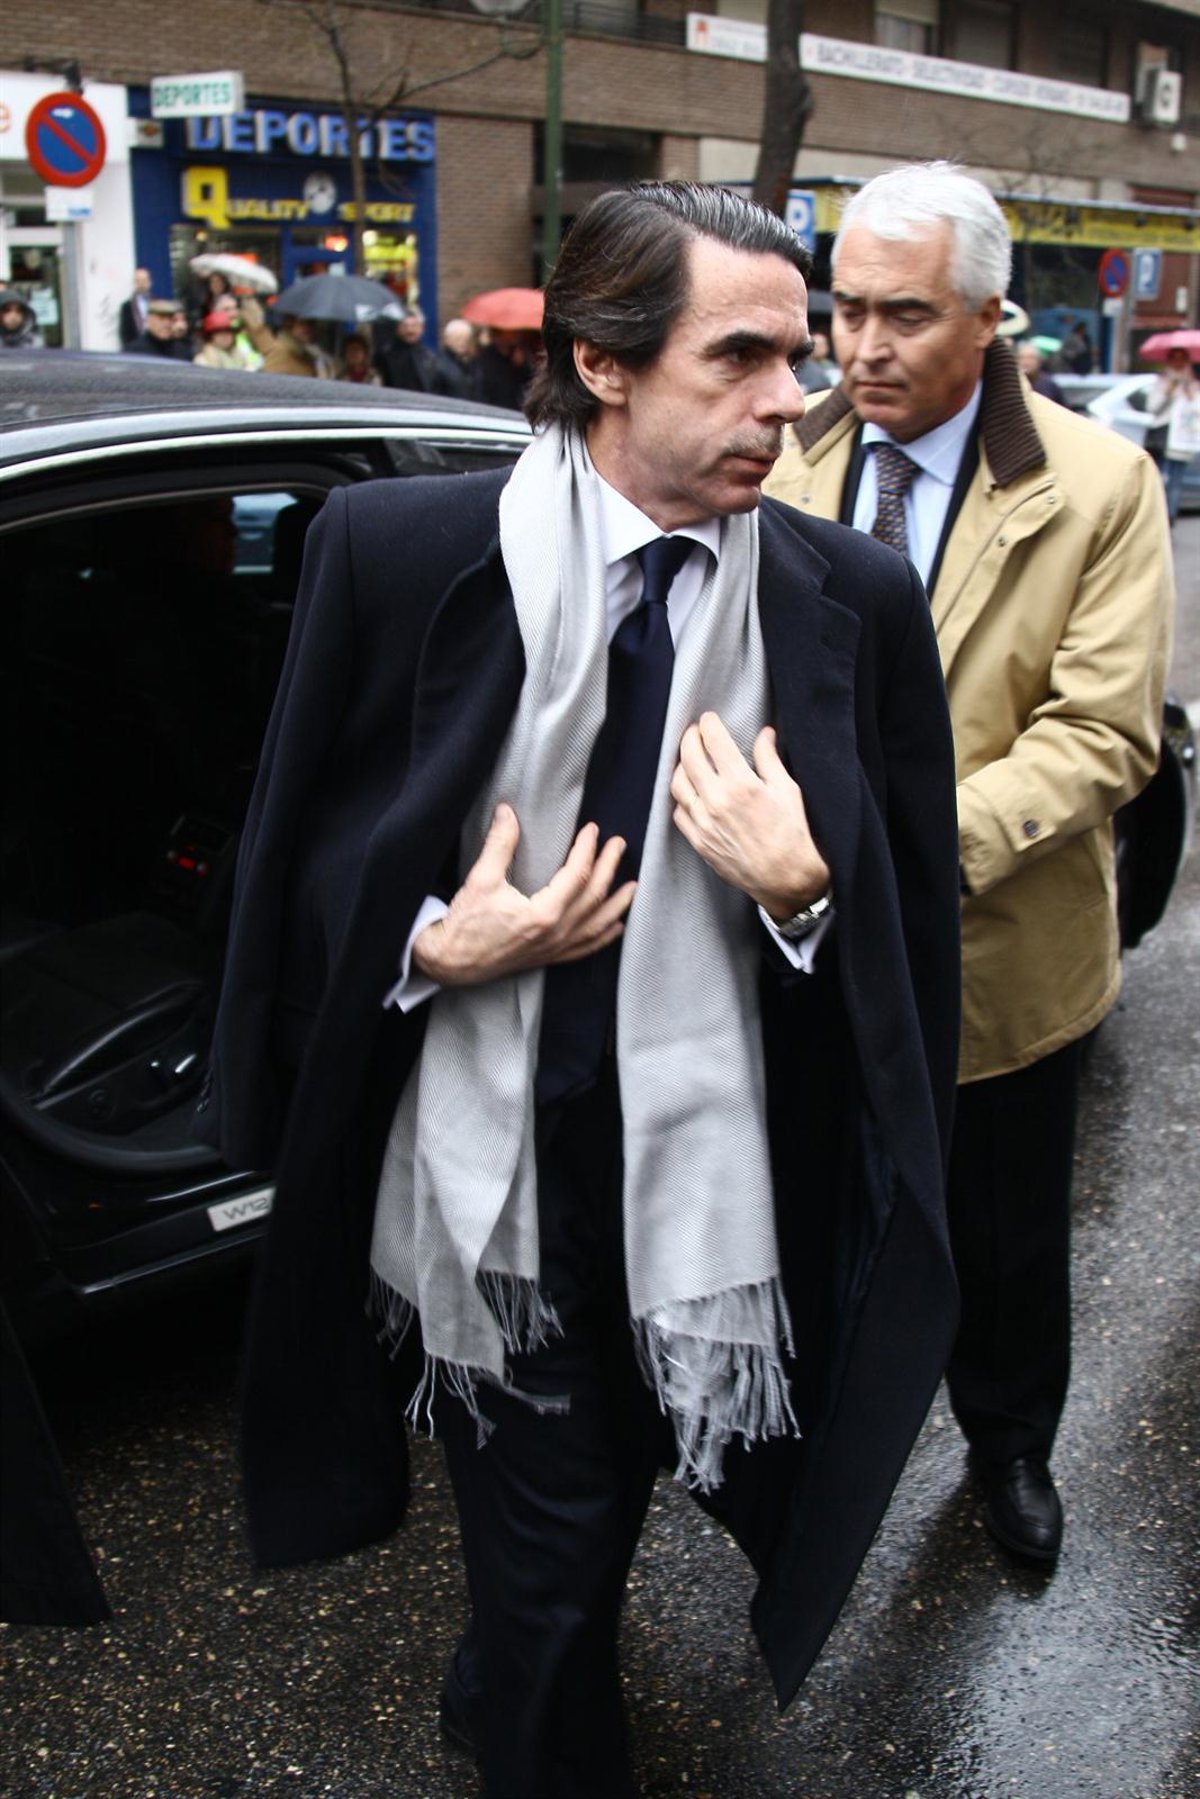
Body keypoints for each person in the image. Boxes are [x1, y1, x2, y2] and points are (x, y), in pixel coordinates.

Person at [197, 180, 961, 1798]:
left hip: (722, 1199)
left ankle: (506, 1658)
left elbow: (912, 954)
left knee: (604, 1515)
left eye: (798, 354)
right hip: (497, 1192)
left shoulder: (852, 597)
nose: (792, 396)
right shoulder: (400, 552)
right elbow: (296, 858)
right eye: (739, 356)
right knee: (553, 1563)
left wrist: (805, 889)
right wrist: (433, 942)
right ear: (602, 362)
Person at [766, 162, 1173, 1569]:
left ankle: (1007, 1442)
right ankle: (811, 1462)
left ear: (990, 317)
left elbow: (1103, 734)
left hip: (993, 948)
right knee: (819, 1206)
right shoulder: (783, 449)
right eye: (846, 309)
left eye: (907, 315)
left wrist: (900, 858)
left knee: (1001, 1236)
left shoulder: (1100, 481)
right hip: (800, 925)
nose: (864, 346)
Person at [1148, 346, 1200, 526]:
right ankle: (1155, 515)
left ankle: (1170, 516)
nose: (1178, 363)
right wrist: (1168, 393)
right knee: (1159, 477)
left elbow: (1195, 411)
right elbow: (1152, 408)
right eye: (1175, 358)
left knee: (1176, 479)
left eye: (1182, 358)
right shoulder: (1162, 381)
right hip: (1162, 435)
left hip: (1182, 438)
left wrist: (1190, 394)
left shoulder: (1193, 384)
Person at [375, 306, 438, 391]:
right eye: (405, 326)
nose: (410, 330)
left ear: (422, 329)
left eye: (414, 326)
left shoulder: (429, 357)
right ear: (398, 328)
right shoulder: (386, 355)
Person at [257, 311, 336, 379]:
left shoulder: (312, 354)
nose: (307, 328)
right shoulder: (282, 352)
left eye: (311, 323)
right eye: (302, 323)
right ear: (290, 326)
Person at [123, 297, 193, 361]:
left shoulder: (182, 352)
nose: (167, 323)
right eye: (161, 318)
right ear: (149, 320)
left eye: (170, 318)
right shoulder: (134, 352)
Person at [434, 316, 481, 400]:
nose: (462, 342)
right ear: (447, 340)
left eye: (465, 339)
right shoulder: (439, 364)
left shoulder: (469, 363)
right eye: (457, 338)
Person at [1016, 340, 1065, 406]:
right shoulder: (1012, 385)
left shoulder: (1049, 385)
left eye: (1030, 358)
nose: (1026, 362)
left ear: (1039, 361)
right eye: (1022, 358)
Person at [118, 267, 153, 347]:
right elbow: (124, 333)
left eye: (144, 281)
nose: (141, 284)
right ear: (134, 283)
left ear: (150, 283)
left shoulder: (157, 304)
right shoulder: (126, 307)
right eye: (138, 281)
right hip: (136, 349)